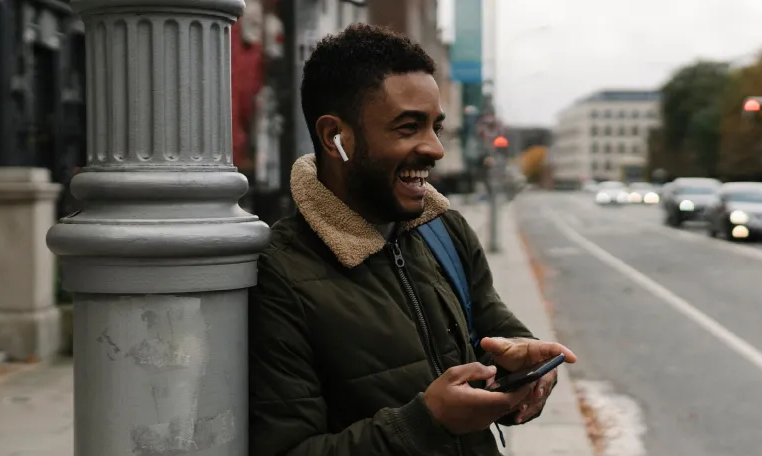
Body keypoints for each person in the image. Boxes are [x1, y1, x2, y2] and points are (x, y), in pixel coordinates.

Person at [248, 24, 578, 455]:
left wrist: (525, 368)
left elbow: (495, 326)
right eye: (409, 127)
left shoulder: (444, 228)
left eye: (435, 127)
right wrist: (426, 422)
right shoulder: (279, 274)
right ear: (335, 138)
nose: (435, 149)